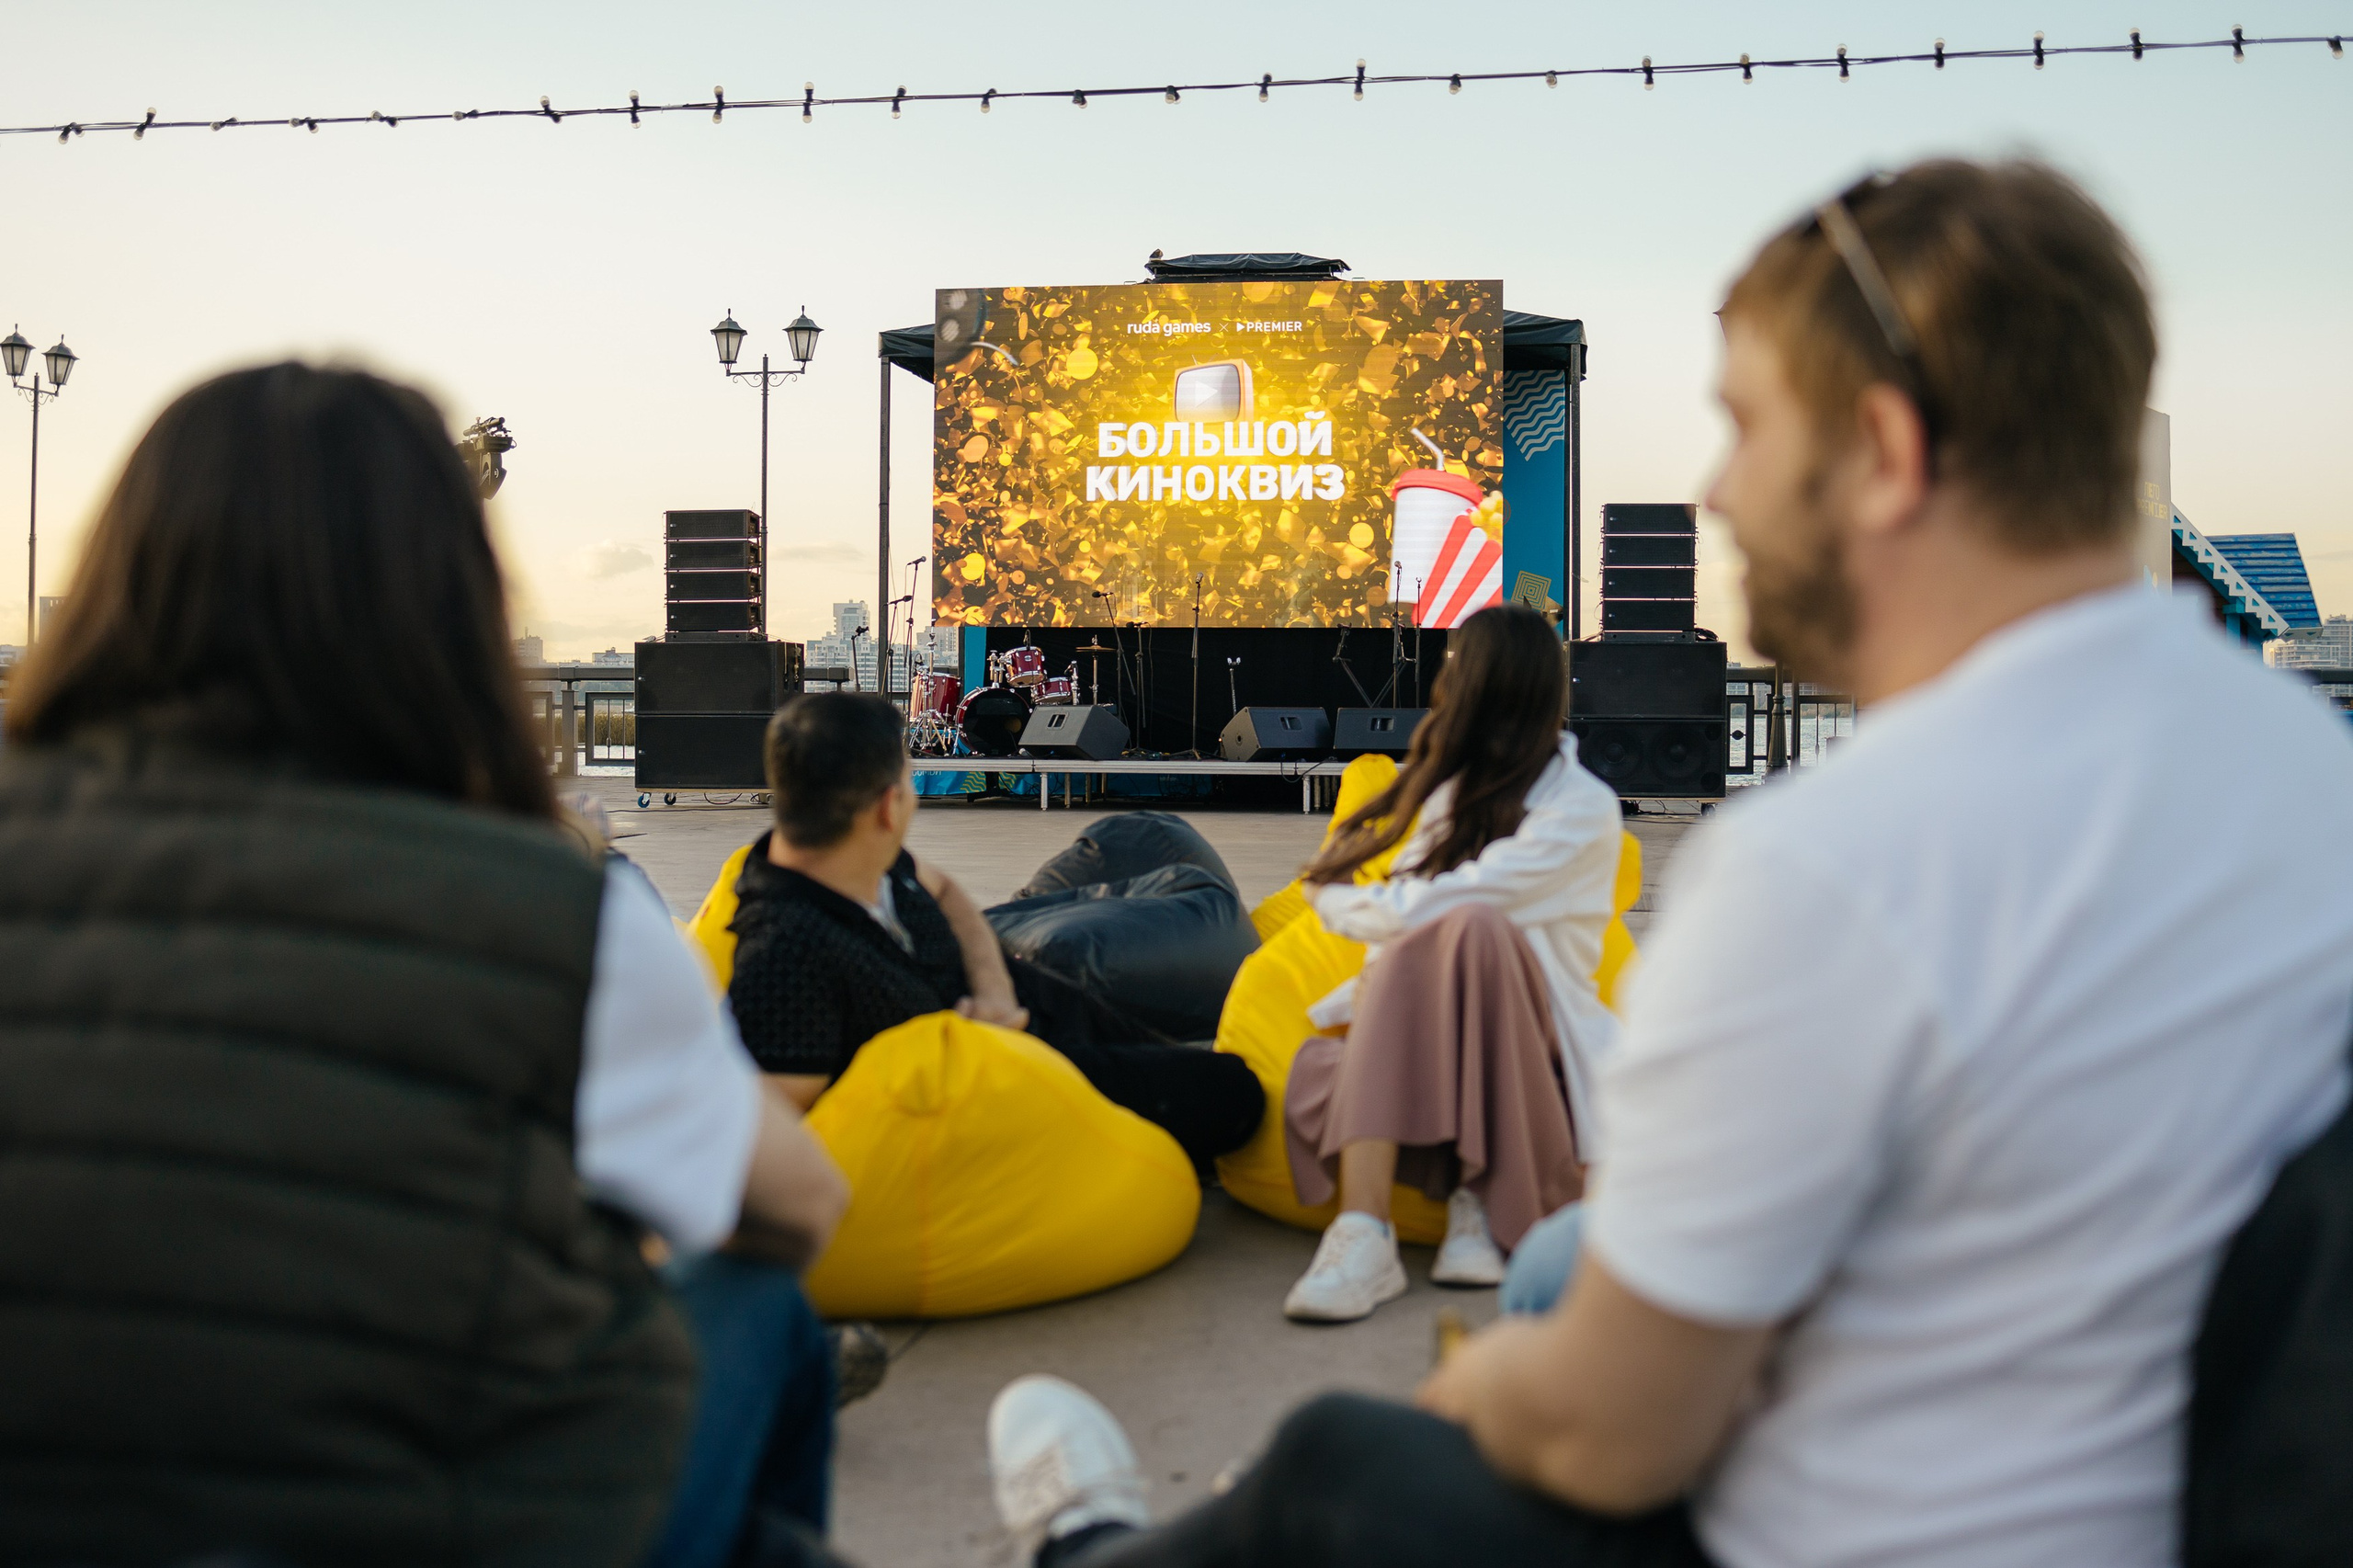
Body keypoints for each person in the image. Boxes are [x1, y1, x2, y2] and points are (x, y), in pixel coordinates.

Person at [977, 156, 2353, 1568]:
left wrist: (1484, 1391)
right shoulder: (2314, 780)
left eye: (1748, 426)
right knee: (1571, 1266)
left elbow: (1606, 1434)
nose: (1717, 491)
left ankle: (1086, 1546)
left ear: (1881, 452)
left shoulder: (1835, 870)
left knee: (1345, 1456)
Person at [0, 362, 850, 1568]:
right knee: (762, 1312)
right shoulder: (555, 911)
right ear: (455, 603)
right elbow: (800, 1204)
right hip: (434, 1521)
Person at [726, 692, 1265, 1165]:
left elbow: (944, 891)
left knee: (1203, 1057)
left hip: (1024, 1001)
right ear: (890, 807)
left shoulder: (849, 850)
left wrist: (994, 990)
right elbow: (779, 1130)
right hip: (1017, 1076)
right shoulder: (785, 950)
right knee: (1239, 1097)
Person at [1278, 602, 1622, 1322]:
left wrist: (1333, 901)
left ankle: (1479, 1196)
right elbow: (1407, 903)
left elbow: (1435, 904)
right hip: (1436, 1034)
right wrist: (1357, 906)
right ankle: (1364, 1232)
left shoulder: (1582, 807)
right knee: (1433, 932)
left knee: (1468, 924)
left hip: (1542, 1051)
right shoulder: (1449, 797)